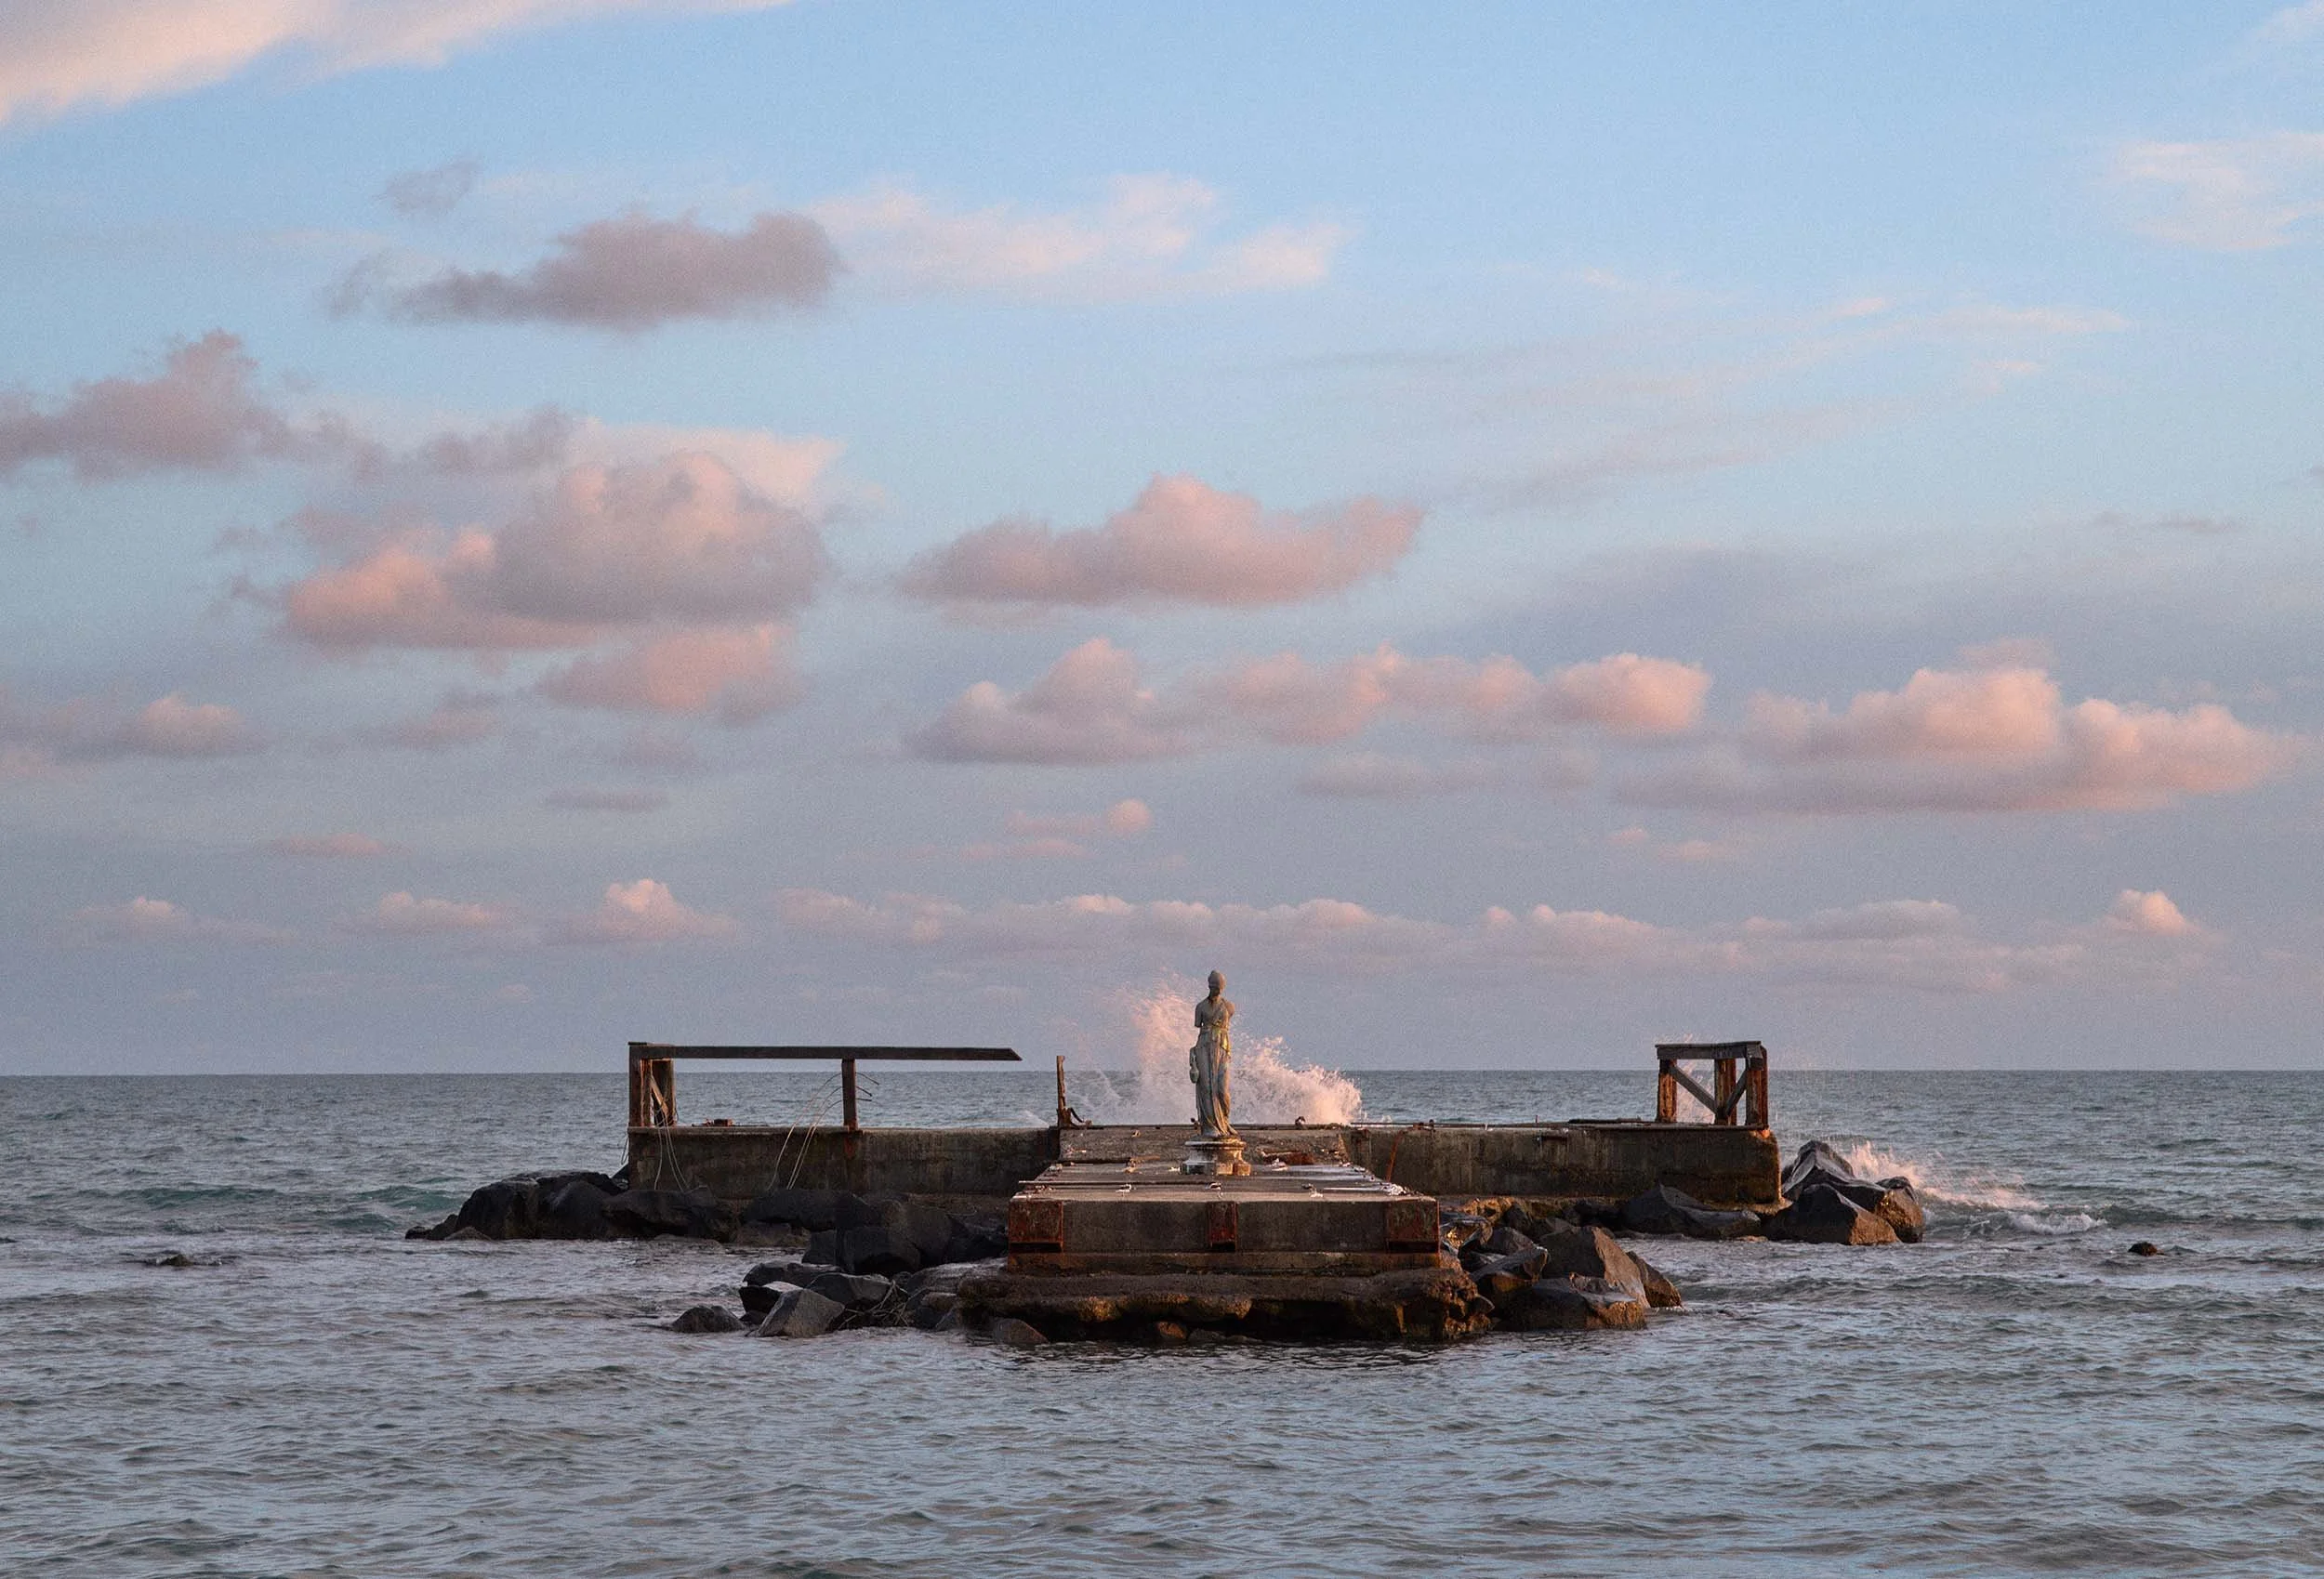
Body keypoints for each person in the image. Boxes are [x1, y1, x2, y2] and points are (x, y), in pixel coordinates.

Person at [1189, 969, 1235, 1138]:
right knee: (1206, 1087)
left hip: (1222, 1048)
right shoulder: (1200, 1007)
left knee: (1222, 1089)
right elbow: (1198, 1027)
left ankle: (1225, 1121)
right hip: (1204, 1046)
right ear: (1209, 986)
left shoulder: (1229, 1006)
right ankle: (1209, 1126)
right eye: (1215, 986)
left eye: (1220, 987)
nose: (1218, 990)